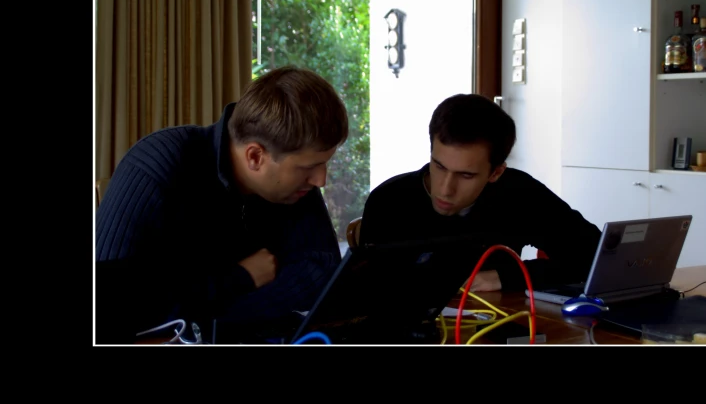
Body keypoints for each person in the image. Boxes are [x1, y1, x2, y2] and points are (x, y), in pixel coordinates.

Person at [95, 66, 349, 344]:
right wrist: (239, 278)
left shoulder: (292, 184)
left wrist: (204, 308)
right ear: (255, 157)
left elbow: (320, 273)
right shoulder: (155, 167)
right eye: (310, 166)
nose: (320, 180)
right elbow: (106, 307)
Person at [359, 93, 601, 293]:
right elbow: (366, 290)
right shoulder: (389, 201)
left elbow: (596, 258)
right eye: (439, 166)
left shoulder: (518, 193)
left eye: (466, 175)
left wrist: (506, 276)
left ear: (495, 173)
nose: (444, 189)